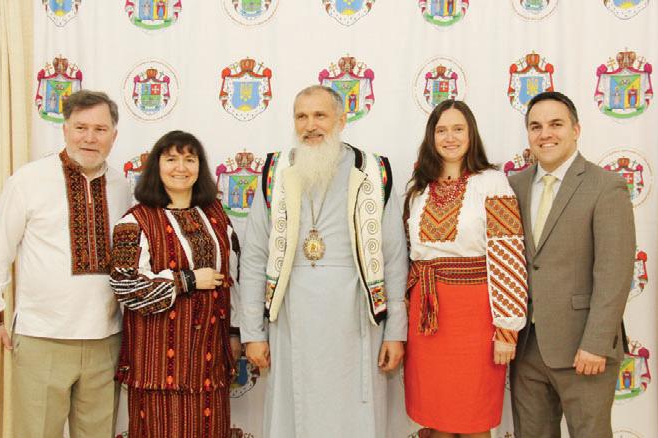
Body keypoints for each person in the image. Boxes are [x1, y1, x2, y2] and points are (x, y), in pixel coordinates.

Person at [239, 85, 408, 437]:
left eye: (320, 115)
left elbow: (393, 257)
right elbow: (255, 256)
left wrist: (395, 332)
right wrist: (253, 332)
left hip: (357, 318)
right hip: (291, 316)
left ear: (341, 120)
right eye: (301, 116)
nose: (310, 125)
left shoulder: (374, 171)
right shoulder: (275, 171)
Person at [0, 90, 130, 438]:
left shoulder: (123, 187)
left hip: (106, 340)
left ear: (114, 136)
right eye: (81, 127)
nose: (90, 138)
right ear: (65, 129)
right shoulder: (28, 180)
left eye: (100, 129)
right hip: (42, 337)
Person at [508, 91, 635, 438]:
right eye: (536, 126)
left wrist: (596, 342)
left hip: (584, 347)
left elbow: (614, 273)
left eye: (556, 124)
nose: (545, 134)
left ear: (576, 130)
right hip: (526, 347)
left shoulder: (606, 186)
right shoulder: (513, 186)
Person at [403, 99, 528, 438]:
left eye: (458, 129)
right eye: (441, 130)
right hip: (427, 317)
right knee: (436, 418)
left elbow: (508, 254)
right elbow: (411, 258)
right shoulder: (419, 190)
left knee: (473, 418)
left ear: (471, 134)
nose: (450, 137)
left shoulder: (492, 182)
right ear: (431, 137)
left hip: (475, 318)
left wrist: (507, 329)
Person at [109, 130, 241, 437]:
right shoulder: (134, 221)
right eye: (171, 159)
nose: (181, 167)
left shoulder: (217, 217)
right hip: (157, 366)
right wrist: (188, 280)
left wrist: (235, 333)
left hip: (210, 361)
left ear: (199, 167)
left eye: (189, 159)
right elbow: (126, 286)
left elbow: (235, 277)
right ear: (157, 166)